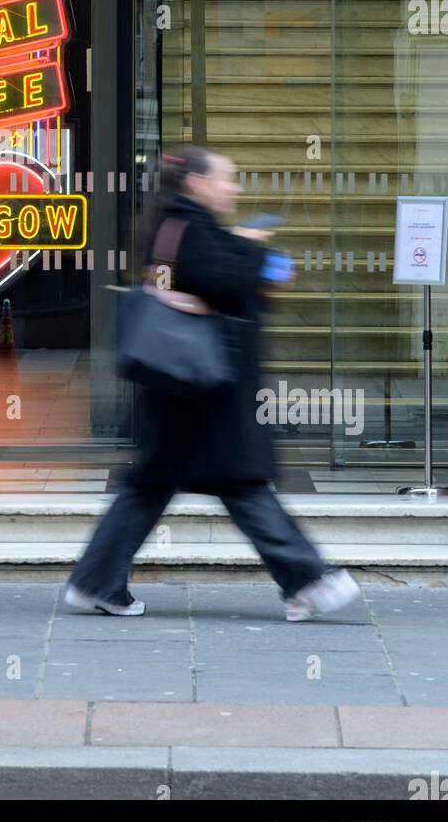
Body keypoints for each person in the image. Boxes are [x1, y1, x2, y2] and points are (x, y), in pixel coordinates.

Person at [66, 145, 361, 623]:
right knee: (238, 483)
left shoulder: (177, 227)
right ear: (197, 183)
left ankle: (95, 582)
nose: (235, 187)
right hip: (202, 390)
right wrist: (250, 247)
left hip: (183, 388)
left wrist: (244, 251)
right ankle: (306, 582)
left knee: (157, 487)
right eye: (227, 178)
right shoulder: (192, 230)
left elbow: (208, 284)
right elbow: (227, 282)